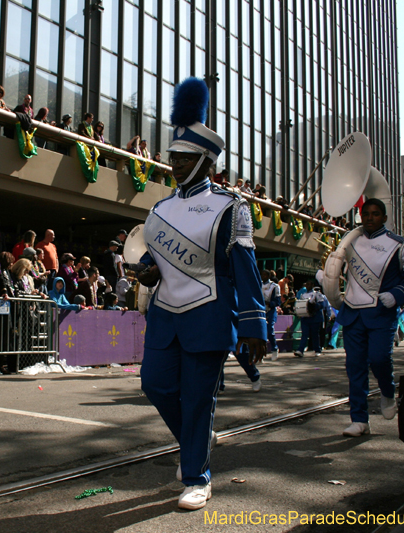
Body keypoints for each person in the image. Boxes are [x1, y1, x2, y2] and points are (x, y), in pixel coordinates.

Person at [136, 78, 267, 511]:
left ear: (207, 162)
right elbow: (155, 259)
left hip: (208, 315)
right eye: (173, 157)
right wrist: (147, 271)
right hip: (165, 315)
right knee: (155, 384)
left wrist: (253, 324)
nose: (175, 164)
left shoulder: (231, 207)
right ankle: (197, 439)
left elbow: (245, 268)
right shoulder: (160, 208)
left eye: (185, 158)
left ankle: (197, 477)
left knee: (196, 399)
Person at [333, 198, 404, 437]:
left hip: (381, 313)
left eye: (375, 214)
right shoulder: (349, 240)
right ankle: (359, 419)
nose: (370, 218)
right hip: (352, 313)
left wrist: (396, 295)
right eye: (366, 214)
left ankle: (388, 392)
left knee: (380, 359)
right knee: (355, 368)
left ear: (384, 217)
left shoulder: (401, 245)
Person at [294, 283, 327, 358]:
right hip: (305, 317)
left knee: (315, 334)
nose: (307, 286)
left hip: (315, 318)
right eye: (307, 285)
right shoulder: (303, 295)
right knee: (304, 334)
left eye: (309, 285)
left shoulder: (317, 294)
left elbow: (322, 305)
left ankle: (317, 350)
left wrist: (314, 305)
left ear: (312, 286)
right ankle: (300, 350)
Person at [262, 270, 282, 360]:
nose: (263, 276)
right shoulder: (259, 284)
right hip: (261, 310)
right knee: (260, 332)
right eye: (262, 275)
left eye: (265, 275)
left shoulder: (275, 286)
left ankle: (274, 349)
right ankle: (261, 351)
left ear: (269, 276)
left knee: (270, 330)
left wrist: (269, 303)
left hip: (270, 310)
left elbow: (278, 301)